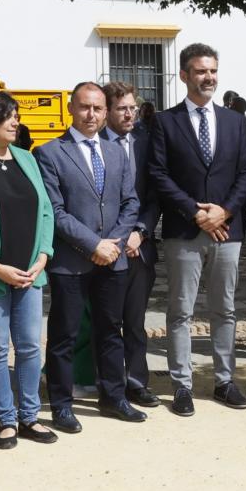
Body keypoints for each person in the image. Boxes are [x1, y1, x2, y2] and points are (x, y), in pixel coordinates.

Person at [146, 43, 246, 414]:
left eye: (212, 70)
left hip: (228, 230)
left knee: (225, 308)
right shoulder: (164, 121)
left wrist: (223, 211)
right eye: (200, 71)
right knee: (180, 310)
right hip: (184, 231)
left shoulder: (235, 121)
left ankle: (224, 381)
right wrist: (196, 212)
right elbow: (158, 174)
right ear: (184, 75)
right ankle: (182, 386)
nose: (208, 77)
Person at [37, 82, 144, 425]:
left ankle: (113, 397)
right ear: (71, 108)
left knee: (111, 330)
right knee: (64, 334)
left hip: (113, 260)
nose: (91, 115)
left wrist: (111, 244)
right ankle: (62, 403)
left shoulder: (115, 152)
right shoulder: (51, 153)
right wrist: (92, 244)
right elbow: (55, 211)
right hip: (71, 261)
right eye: (85, 107)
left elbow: (130, 202)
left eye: (98, 108)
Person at [0, 89, 59, 447]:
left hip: (32, 272)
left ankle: (30, 416)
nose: (16, 121)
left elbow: (46, 209)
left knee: (31, 346)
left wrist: (43, 256)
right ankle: (6, 419)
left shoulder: (26, 158)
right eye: (8, 115)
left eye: (16, 114)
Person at [102, 81, 161, 407]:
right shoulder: (95, 144)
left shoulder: (146, 142)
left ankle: (137, 382)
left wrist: (141, 231)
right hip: (106, 246)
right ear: (108, 111)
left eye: (133, 108)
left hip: (140, 246)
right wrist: (118, 239)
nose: (129, 114)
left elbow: (154, 195)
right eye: (122, 108)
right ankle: (108, 382)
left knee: (135, 322)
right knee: (107, 321)